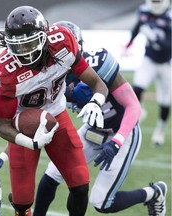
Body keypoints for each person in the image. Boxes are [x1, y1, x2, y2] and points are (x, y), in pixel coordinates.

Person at [33, 21, 168, 216]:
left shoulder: (98, 64)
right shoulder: (52, 77)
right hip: (92, 130)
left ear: (76, 47)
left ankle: (153, 193)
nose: (58, 56)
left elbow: (133, 106)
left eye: (64, 50)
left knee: (101, 202)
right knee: (53, 173)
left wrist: (117, 141)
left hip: (122, 132)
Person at [0, 6, 109, 216]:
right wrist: (30, 142)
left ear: (44, 37)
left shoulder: (63, 43)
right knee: (22, 201)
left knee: (80, 184)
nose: (25, 52)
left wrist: (95, 102)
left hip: (58, 116)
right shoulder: (5, 71)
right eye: (19, 47)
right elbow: (2, 125)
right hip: (24, 126)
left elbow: (98, 83)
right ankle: (21, 208)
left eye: (30, 44)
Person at [124, 0, 171, 146]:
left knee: (165, 101)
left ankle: (160, 130)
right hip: (149, 59)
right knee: (137, 88)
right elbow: (137, 27)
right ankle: (140, 109)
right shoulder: (144, 11)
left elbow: (169, 44)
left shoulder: (169, 15)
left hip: (167, 62)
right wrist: (128, 44)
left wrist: (154, 36)